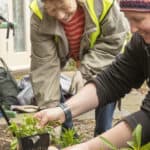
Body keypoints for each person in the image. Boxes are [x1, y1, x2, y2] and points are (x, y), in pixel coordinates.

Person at [34, 0, 150, 149]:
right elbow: (112, 80)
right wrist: (63, 111)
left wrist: (87, 147)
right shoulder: (141, 41)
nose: (132, 29)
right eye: (128, 19)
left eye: (138, 20)